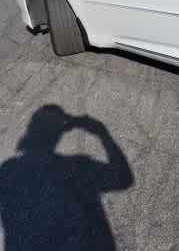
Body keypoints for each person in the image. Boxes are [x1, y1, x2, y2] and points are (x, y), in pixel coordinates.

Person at [0, 105, 134, 250]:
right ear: (59, 133)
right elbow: (123, 178)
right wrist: (102, 133)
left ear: (30, 129)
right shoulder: (77, 167)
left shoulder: (8, 170)